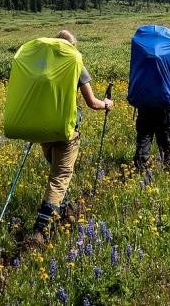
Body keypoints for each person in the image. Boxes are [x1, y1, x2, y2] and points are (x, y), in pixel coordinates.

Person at [30, 30, 113, 245]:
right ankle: (40, 228)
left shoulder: (42, 66)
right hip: (67, 130)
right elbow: (92, 102)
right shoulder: (76, 66)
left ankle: (61, 208)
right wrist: (107, 103)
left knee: (57, 174)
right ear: (71, 47)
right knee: (60, 177)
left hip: (44, 129)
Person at [128, 25, 170, 171]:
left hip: (144, 103)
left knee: (144, 135)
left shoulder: (143, 56)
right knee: (165, 136)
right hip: (164, 103)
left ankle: (141, 166)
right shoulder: (168, 57)